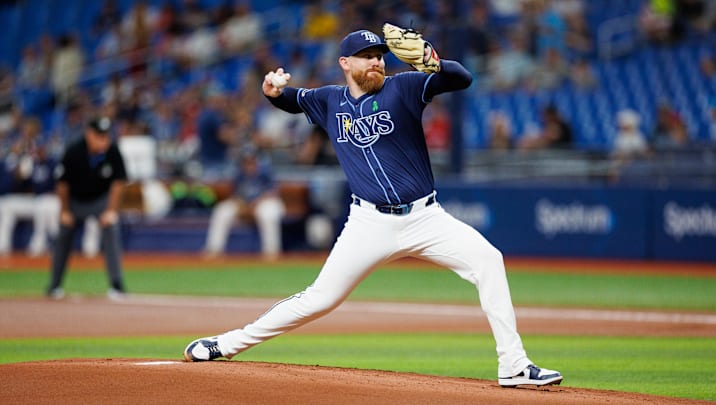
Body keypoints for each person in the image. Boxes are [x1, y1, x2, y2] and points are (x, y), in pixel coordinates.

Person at [184, 26, 563, 388]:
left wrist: (432, 59)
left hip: (425, 217)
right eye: (366, 57)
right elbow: (293, 100)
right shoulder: (329, 100)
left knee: (488, 260)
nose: (376, 62)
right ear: (345, 63)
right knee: (320, 299)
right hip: (369, 222)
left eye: (380, 55)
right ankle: (226, 344)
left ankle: (513, 365)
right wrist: (272, 92)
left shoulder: (405, 86)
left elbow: (461, 78)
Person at [46, 116, 128, 300]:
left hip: (100, 200)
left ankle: (117, 284)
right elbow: (62, 185)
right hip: (75, 201)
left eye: (105, 135)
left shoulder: (112, 151)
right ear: (89, 134)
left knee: (111, 227)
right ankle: (54, 285)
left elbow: (118, 183)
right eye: (99, 135)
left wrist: (112, 211)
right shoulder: (74, 151)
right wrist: (65, 211)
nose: (103, 139)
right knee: (64, 232)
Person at [203, 147, 285, 260]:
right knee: (222, 210)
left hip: (266, 203)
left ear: (256, 160)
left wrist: (255, 204)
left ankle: (271, 253)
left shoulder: (265, 172)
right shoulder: (239, 174)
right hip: (246, 205)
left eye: (251, 160)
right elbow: (236, 195)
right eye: (246, 161)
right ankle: (214, 250)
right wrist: (241, 205)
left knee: (267, 214)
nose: (249, 164)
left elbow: (272, 192)